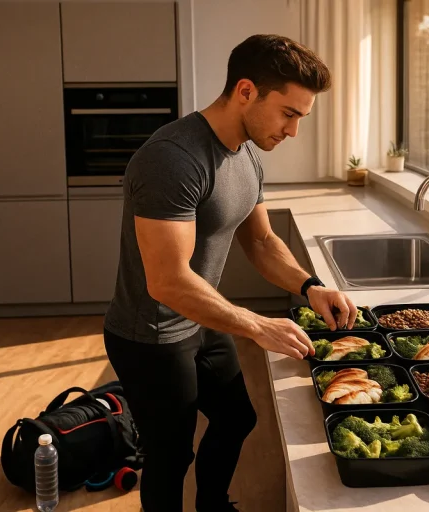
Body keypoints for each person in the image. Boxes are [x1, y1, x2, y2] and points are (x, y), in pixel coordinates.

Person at [102, 34, 358, 512]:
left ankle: (213, 505)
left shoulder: (246, 155)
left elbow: (260, 241)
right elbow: (168, 281)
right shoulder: (171, 160)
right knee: (170, 455)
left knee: (236, 417)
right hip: (151, 334)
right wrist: (258, 326)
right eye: (289, 114)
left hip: (202, 319)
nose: (294, 131)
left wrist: (311, 286)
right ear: (245, 91)